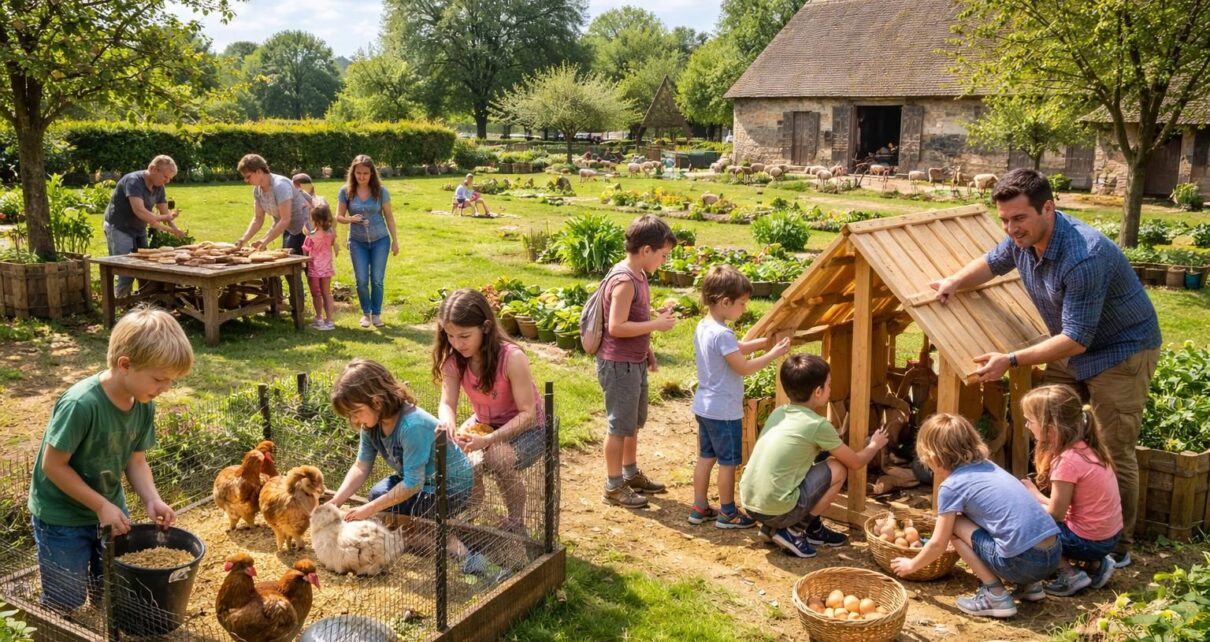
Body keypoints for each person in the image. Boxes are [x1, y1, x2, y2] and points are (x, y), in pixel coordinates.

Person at [930, 168, 1161, 568]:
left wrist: (1012, 359)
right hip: (1071, 351)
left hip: (1122, 351)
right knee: (1049, 433)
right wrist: (953, 281)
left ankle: (1114, 546)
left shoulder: (1083, 256)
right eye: (1004, 220)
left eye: (1019, 218)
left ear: (1048, 208)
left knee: (1113, 447)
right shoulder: (1022, 241)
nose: (1011, 228)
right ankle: (1051, 524)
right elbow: (992, 263)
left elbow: (1077, 338)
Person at [27, 307, 194, 611]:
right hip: (61, 516)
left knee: (112, 588)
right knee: (66, 597)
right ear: (125, 364)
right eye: (160, 378)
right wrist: (101, 505)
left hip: (109, 509)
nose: (166, 388)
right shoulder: (81, 404)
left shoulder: (143, 403)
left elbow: (136, 459)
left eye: (171, 380)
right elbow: (52, 466)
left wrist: (151, 499)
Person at [891, 413, 1060, 618]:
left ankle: (995, 595)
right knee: (1001, 522)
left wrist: (912, 565)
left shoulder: (951, 486)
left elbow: (938, 543)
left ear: (934, 459)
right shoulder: (991, 467)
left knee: (954, 525)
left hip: (1024, 562)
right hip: (1053, 554)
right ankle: (1031, 586)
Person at [324, 359, 485, 574]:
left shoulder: (412, 425)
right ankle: (416, 535)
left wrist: (367, 510)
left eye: (356, 412)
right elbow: (361, 466)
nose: (354, 420)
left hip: (449, 486)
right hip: (420, 482)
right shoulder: (371, 425)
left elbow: (412, 484)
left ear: (377, 402)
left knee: (417, 510)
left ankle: (464, 554)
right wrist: (337, 501)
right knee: (377, 494)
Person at [739, 354, 889, 558]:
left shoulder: (779, 413)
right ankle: (794, 530)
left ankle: (776, 527)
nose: (830, 389)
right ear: (818, 391)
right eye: (829, 385)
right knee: (838, 468)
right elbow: (855, 462)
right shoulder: (817, 425)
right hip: (776, 509)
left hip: (751, 503)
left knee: (813, 465)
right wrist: (874, 445)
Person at [432, 289, 544, 533]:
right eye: (449, 336)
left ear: (485, 327)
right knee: (464, 459)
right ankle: (475, 515)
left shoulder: (512, 358)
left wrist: (489, 440)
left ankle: (516, 522)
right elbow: (447, 403)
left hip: (528, 427)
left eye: (464, 336)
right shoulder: (454, 361)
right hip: (484, 424)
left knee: (497, 459)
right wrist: (449, 425)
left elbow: (528, 414)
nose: (456, 344)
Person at [689, 266, 790, 529]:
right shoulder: (723, 333)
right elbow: (742, 367)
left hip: (705, 407)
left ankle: (699, 506)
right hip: (724, 411)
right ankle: (728, 513)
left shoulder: (706, 326)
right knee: (727, 463)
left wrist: (764, 343)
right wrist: (773, 355)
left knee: (705, 458)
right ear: (725, 302)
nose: (745, 309)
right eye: (742, 304)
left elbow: (734, 348)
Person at [598, 215, 678, 509]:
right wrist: (656, 325)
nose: (664, 260)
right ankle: (613, 485)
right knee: (619, 426)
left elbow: (636, 319)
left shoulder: (640, 276)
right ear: (646, 250)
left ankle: (630, 473)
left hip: (634, 361)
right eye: (663, 255)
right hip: (618, 364)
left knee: (632, 423)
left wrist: (648, 352)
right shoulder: (624, 280)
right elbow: (616, 327)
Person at [1020, 385, 1122, 596]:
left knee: (1028, 526)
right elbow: (1069, 508)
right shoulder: (1088, 449)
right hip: (1109, 538)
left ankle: (1068, 574)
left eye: (1030, 420)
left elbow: (1056, 515)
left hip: (1087, 542)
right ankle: (1097, 564)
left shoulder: (1067, 461)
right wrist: (1036, 495)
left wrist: (1026, 507)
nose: (1026, 425)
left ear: (1050, 426)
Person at [103, 156, 186, 297]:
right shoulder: (133, 181)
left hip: (139, 228)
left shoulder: (159, 186)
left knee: (145, 265)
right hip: (119, 227)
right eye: (165, 177)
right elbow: (140, 211)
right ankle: (122, 303)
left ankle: (142, 299)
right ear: (153, 169)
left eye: (169, 178)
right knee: (125, 268)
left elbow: (164, 213)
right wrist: (165, 218)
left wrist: (175, 229)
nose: (167, 181)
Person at [336, 155, 399, 329]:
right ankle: (366, 314)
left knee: (377, 279)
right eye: (358, 173)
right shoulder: (345, 191)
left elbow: (389, 217)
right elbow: (339, 217)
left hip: (380, 240)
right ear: (353, 173)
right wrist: (350, 219)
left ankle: (376, 314)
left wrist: (395, 241)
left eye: (365, 173)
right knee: (362, 280)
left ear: (372, 173)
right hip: (357, 242)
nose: (362, 177)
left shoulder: (381, 191)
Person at [234, 154, 312, 257]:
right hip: (288, 229)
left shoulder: (280, 186)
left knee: (310, 270)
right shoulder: (257, 190)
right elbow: (258, 218)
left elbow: (285, 219)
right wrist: (243, 239)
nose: (246, 181)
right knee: (289, 268)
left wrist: (265, 241)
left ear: (259, 171)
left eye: (248, 176)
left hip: (307, 229)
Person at [302, 200, 338, 331]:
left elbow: (305, 251)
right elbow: (332, 242)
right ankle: (329, 320)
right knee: (326, 293)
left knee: (316, 294)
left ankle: (319, 318)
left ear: (314, 220)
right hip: (327, 269)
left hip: (314, 270)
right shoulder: (331, 233)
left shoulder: (310, 237)